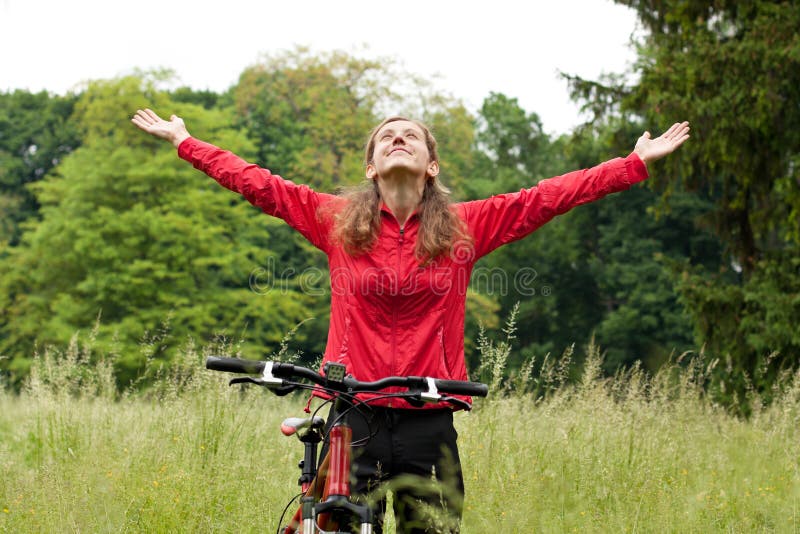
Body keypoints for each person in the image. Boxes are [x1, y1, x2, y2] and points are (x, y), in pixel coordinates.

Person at [131, 109, 690, 532]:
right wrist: (186, 142)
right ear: (371, 166)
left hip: (429, 415)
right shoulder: (335, 220)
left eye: (412, 135)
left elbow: (549, 197)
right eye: (387, 136)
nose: (400, 138)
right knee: (334, 526)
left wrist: (634, 163)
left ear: (431, 164)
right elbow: (258, 183)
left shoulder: (467, 226)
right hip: (355, 412)